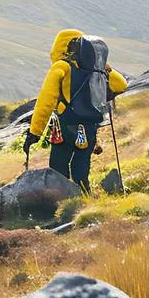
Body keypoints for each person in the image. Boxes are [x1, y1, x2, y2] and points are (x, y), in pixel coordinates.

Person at [23, 30, 128, 192]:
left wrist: (35, 132)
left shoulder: (61, 67)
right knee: (81, 170)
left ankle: (61, 201)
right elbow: (121, 85)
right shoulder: (97, 70)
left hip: (64, 127)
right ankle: (84, 200)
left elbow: (46, 101)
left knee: (58, 169)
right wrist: (105, 69)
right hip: (89, 128)